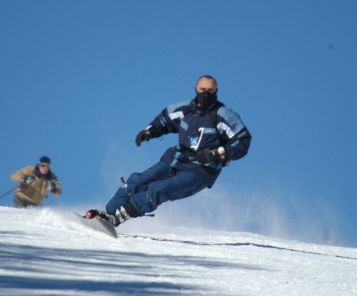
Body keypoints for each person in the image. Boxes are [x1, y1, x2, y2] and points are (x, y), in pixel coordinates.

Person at [87, 75, 251, 226]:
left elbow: (242, 141)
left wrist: (217, 153)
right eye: (202, 90)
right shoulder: (185, 109)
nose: (206, 94)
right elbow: (165, 119)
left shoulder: (224, 115)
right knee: (136, 180)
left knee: (157, 190)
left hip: (200, 170)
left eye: (210, 90)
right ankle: (106, 214)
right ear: (196, 89)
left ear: (216, 91)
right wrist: (150, 131)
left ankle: (115, 220)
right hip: (175, 160)